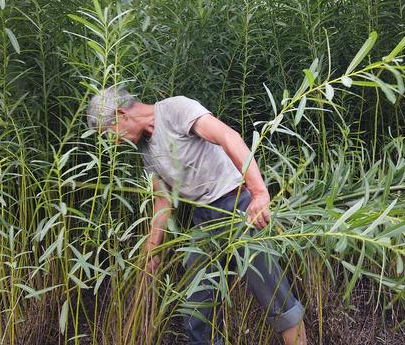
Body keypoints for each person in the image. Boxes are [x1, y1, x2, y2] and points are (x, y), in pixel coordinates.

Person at [86, 86, 307, 345]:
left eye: (108, 134)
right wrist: (152, 251)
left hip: (238, 207)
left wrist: (259, 193)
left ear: (121, 114)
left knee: (275, 298)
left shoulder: (175, 109)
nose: (112, 143)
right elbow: (163, 201)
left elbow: (228, 136)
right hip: (204, 221)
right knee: (196, 311)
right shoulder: (145, 150)